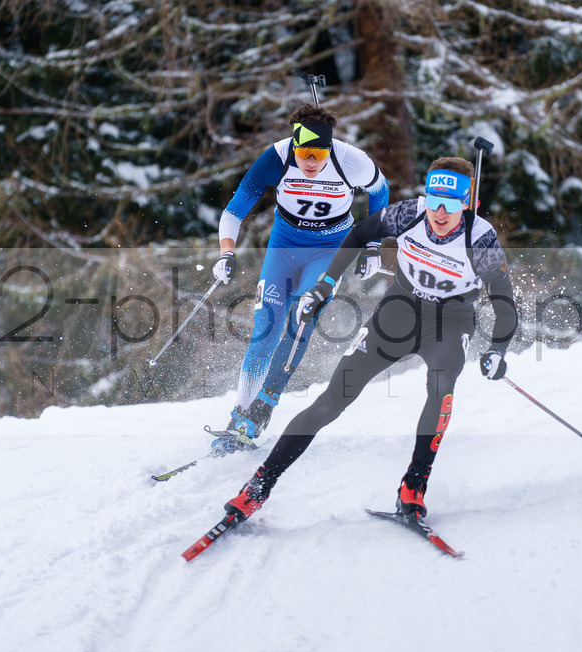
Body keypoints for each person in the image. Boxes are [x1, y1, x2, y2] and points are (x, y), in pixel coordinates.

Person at [217, 156, 519, 523]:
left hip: (450, 323)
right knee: (332, 400)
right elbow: (359, 233)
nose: (439, 212)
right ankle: (258, 487)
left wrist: (497, 350)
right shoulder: (407, 214)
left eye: (451, 204)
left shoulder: (481, 240)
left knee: (441, 386)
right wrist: (325, 284)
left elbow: (505, 303)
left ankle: (413, 487)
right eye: (434, 199)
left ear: (468, 204)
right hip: (398, 313)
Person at [210, 104, 390, 452]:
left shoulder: (352, 160)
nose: (310, 161)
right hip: (284, 246)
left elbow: (380, 192)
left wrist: (372, 245)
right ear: (293, 146)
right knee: (265, 329)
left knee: (303, 316)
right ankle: (240, 416)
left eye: (318, 153)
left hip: (331, 248)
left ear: (329, 147)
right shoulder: (275, 158)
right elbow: (234, 210)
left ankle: (263, 408)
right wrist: (226, 252)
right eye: (303, 153)